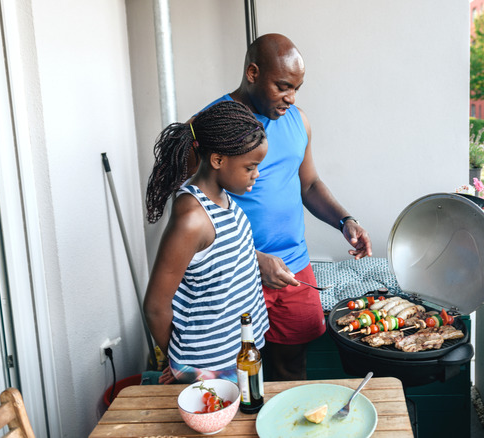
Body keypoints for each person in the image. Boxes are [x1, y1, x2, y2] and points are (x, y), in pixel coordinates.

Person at [198, 33, 373, 381]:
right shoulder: (210, 127)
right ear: (252, 73)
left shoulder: (298, 121)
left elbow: (308, 184)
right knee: (238, 375)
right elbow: (196, 211)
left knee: (292, 368)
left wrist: (345, 220)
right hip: (235, 274)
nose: (290, 98)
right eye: (282, 87)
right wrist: (252, 259)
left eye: (297, 88)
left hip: (294, 270)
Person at [143, 101, 270, 384]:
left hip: (241, 351)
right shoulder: (192, 219)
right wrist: (182, 365)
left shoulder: (224, 197)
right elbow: (155, 305)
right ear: (217, 160)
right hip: (210, 366)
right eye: (250, 167)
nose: (256, 174)